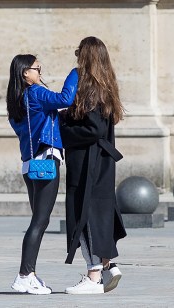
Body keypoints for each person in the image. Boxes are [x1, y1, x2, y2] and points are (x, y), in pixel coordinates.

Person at [60, 36, 127, 295]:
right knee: (100, 212)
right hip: (102, 160)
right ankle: (109, 265)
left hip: (88, 160)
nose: (76, 57)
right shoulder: (106, 85)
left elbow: (93, 128)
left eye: (79, 53)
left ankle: (93, 275)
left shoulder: (87, 85)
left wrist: (64, 126)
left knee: (83, 213)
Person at [6, 54, 78, 294]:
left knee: (39, 219)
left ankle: (29, 274)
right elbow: (65, 98)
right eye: (37, 68)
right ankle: (25, 274)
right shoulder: (36, 92)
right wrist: (75, 74)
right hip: (46, 161)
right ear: (25, 73)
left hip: (30, 164)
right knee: (39, 221)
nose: (40, 72)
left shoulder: (17, 99)